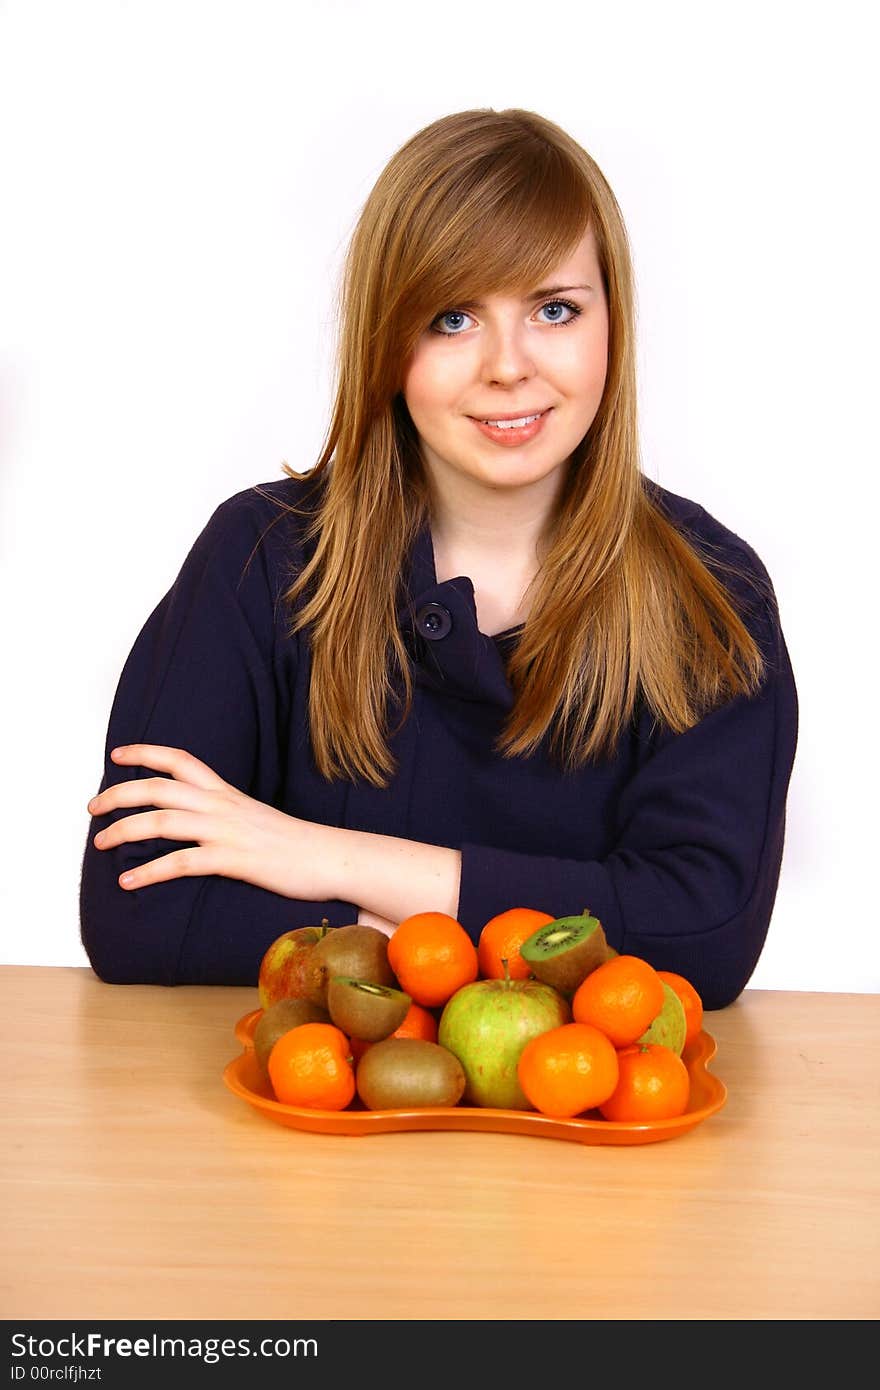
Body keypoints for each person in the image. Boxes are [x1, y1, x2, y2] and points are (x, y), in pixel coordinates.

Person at [79, 107, 798, 1010]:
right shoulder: (258, 558)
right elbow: (137, 913)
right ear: (388, 342)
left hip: (593, 1145)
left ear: (613, 325)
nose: (508, 366)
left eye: (555, 309)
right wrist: (526, 928)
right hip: (303, 1140)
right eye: (454, 318)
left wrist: (324, 862)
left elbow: (703, 935)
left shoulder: (709, 590)